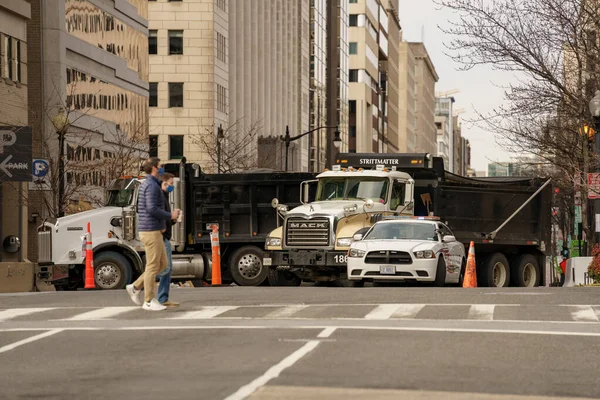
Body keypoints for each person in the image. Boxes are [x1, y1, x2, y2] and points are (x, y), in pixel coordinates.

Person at [126, 157, 180, 311]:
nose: (162, 168)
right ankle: (148, 300)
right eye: (161, 166)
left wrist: (163, 225)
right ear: (155, 169)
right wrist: (170, 216)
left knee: (163, 265)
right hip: (150, 230)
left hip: (154, 229)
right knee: (153, 266)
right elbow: (151, 209)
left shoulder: (151, 184)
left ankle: (135, 287)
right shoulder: (151, 186)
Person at [156, 172, 179, 307]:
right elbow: (159, 215)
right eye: (171, 184)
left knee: (165, 268)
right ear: (164, 183)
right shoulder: (161, 198)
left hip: (164, 236)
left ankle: (163, 298)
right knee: (165, 268)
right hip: (162, 237)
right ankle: (137, 286)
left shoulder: (164, 197)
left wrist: (173, 219)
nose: (172, 187)